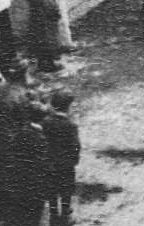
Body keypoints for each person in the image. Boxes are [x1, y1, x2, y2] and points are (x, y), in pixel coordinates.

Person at [41, 89, 81, 226]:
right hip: (65, 164)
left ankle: (53, 214)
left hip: (49, 163)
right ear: (68, 107)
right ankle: (65, 215)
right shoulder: (70, 125)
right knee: (66, 190)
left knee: (51, 190)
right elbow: (75, 145)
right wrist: (74, 160)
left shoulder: (45, 122)